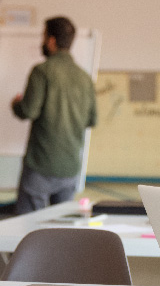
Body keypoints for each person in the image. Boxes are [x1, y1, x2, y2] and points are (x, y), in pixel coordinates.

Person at [11, 16, 97, 214]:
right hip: (69, 166)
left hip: (41, 164)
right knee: (61, 230)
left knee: (28, 227)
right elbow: (93, 119)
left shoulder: (41, 71)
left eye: (43, 36)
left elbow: (29, 110)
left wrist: (17, 104)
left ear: (51, 40)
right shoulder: (84, 78)